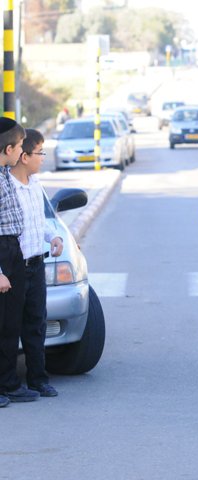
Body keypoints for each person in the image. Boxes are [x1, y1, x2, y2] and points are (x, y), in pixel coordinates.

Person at [10, 129, 63, 398]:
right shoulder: (7, 187)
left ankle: (38, 379)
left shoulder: (35, 185)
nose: (43, 157)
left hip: (36, 265)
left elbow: (39, 223)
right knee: (8, 328)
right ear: (23, 156)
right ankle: (9, 384)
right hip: (13, 268)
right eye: (39, 152)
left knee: (36, 324)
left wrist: (54, 237)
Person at [0, 118, 39, 407]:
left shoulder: (4, 174)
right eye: (19, 147)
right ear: (10, 149)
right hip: (2, 252)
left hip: (13, 249)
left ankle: (9, 384)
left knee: (10, 325)